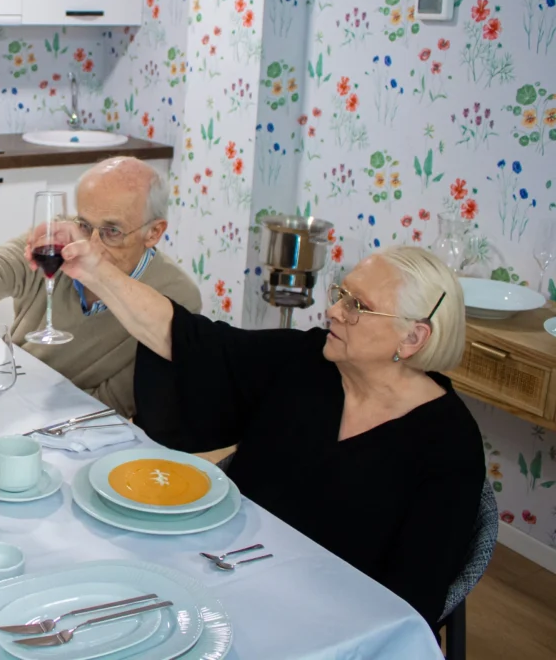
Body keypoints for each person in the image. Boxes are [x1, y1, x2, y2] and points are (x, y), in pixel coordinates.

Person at [52, 234, 483, 628]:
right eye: (342, 294)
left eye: (358, 306)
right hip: (221, 573)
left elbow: (410, 597)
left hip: (324, 619)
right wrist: (93, 268)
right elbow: (190, 341)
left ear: (412, 337)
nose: (334, 310)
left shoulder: (447, 444)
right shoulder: (310, 361)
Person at [0, 157, 200, 418]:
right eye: (84, 224)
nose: (91, 244)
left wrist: (34, 417)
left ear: (154, 232)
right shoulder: (60, 240)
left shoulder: (177, 295)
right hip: (11, 389)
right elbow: (2, 266)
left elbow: (118, 402)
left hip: (70, 423)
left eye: (112, 231)